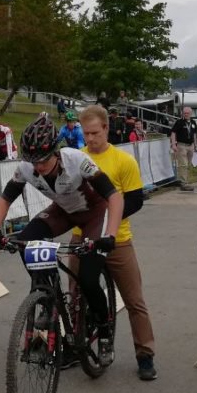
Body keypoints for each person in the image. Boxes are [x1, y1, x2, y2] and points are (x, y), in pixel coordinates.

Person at [0, 112, 123, 366]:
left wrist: (110, 235)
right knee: (27, 241)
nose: (38, 166)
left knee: (89, 279)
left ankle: (104, 332)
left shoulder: (77, 160)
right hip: (64, 211)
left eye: (43, 160)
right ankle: (46, 293)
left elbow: (114, 196)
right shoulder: (27, 167)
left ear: (56, 151)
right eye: (33, 161)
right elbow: (5, 198)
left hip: (94, 213)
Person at [72, 106, 157, 378]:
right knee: (75, 295)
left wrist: (107, 221)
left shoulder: (123, 161)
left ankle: (145, 355)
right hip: (82, 236)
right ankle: (79, 345)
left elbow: (134, 200)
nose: (90, 139)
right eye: (86, 134)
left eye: (95, 133)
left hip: (117, 239)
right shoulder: (75, 159)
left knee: (134, 300)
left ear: (107, 129)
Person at [170, 106, 197, 191]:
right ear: (182, 114)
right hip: (182, 145)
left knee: (188, 164)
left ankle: (185, 180)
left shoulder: (193, 122)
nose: (186, 114)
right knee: (183, 164)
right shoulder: (179, 122)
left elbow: (194, 134)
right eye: (184, 113)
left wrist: (196, 145)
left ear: (191, 113)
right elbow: (173, 132)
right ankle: (183, 183)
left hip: (191, 145)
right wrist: (174, 144)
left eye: (187, 113)